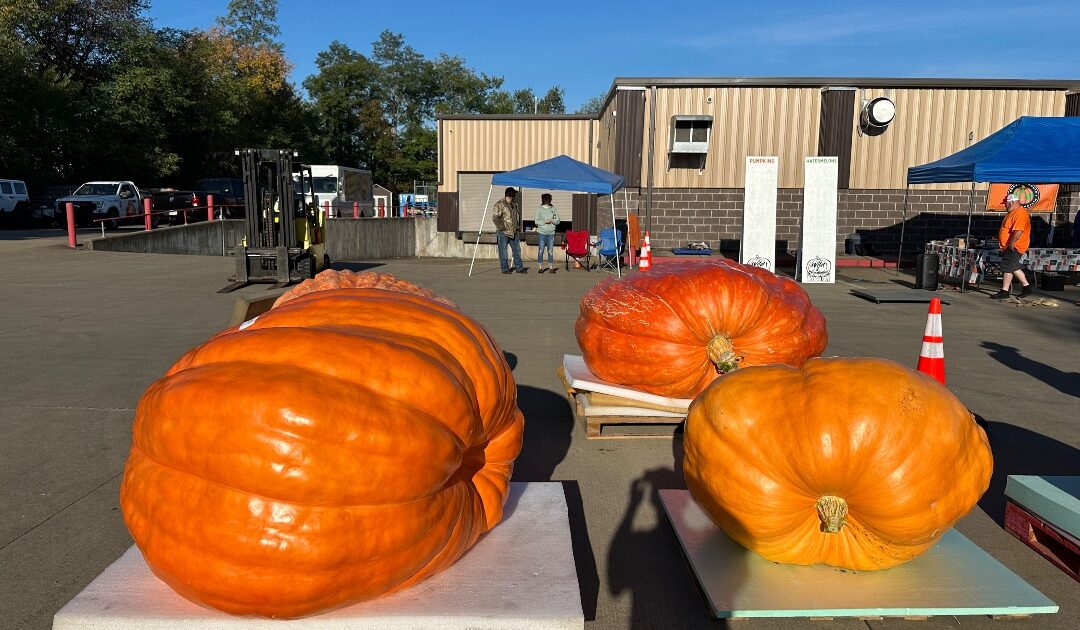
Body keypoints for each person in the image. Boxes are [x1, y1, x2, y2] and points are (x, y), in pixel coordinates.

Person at [992, 193, 1032, 300]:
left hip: (1015, 246)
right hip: (1009, 246)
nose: (1005, 205)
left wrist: (1011, 244)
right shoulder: (1013, 213)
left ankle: (1005, 291)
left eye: (1006, 203)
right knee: (1012, 267)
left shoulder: (1020, 213)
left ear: (1012, 202)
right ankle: (1026, 287)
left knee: (1007, 267)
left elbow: (1018, 231)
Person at [492, 187, 525, 274]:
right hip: (503, 232)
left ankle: (519, 268)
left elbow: (516, 217)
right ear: (510, 195)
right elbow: (495, 218)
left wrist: (518, 228)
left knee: (517, 251)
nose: (514, 196)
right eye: (513, 194)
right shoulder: (499, 204)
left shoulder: (514, 204)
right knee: (503, 251)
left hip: (514, 232)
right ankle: (505, 269)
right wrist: (502, 227)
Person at [535, 193, 560, 273]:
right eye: (546, 200)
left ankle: (551, 267)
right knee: (541, 250)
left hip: (551, 233)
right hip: (542, 232)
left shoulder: (553, 209)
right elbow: (536, 221)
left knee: (550, 250)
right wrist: (544, 222)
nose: (547, 201)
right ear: (543, 200)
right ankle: (540, 267)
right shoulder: (539, 209)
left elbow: (558, 221)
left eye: (548, 200)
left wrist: (552, 221)